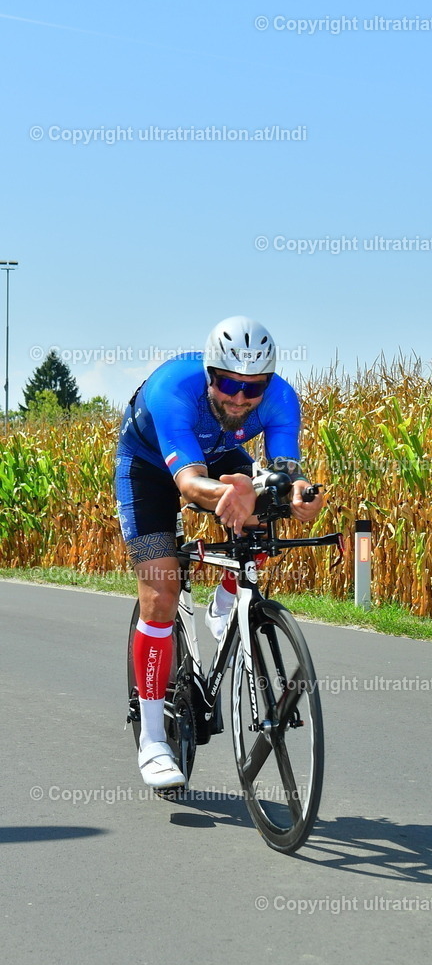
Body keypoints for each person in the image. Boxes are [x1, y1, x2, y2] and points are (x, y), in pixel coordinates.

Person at [115, 316, 323, 789]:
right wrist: (231, 495)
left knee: (266, 506)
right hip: (148, 465)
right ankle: (152, 740)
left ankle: (227, 599)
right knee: (161, 593)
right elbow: (188, 482)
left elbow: (285, 471)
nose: (240, 398)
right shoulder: (174, 388)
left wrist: (297, 493)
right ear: (211, 374)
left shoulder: (282, 400)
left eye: (254, 388)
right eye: (228, 384)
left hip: (222, 455)